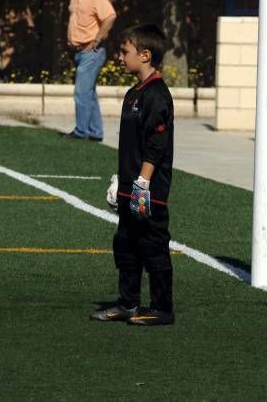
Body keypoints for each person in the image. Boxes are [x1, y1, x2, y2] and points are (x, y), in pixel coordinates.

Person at [90, 23, 174, 326]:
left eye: (125, 52)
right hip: (130, 186)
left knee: (152, 243)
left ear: (145, 54)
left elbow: (156, 144)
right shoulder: (132, 94)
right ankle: (127, 302)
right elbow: (132, 145)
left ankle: (162, 308)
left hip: (146, 189)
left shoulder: (156, 95)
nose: (119, 57)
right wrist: (121, 178)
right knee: (125, 243)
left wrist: (142, 183)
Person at [63, 0, 116, 142]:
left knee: (80, 92)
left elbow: (110, 16)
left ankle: (81, 131)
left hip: (91, 52)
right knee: (89, 93)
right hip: (78, 52)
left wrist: (97, 40)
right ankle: (95, 132)